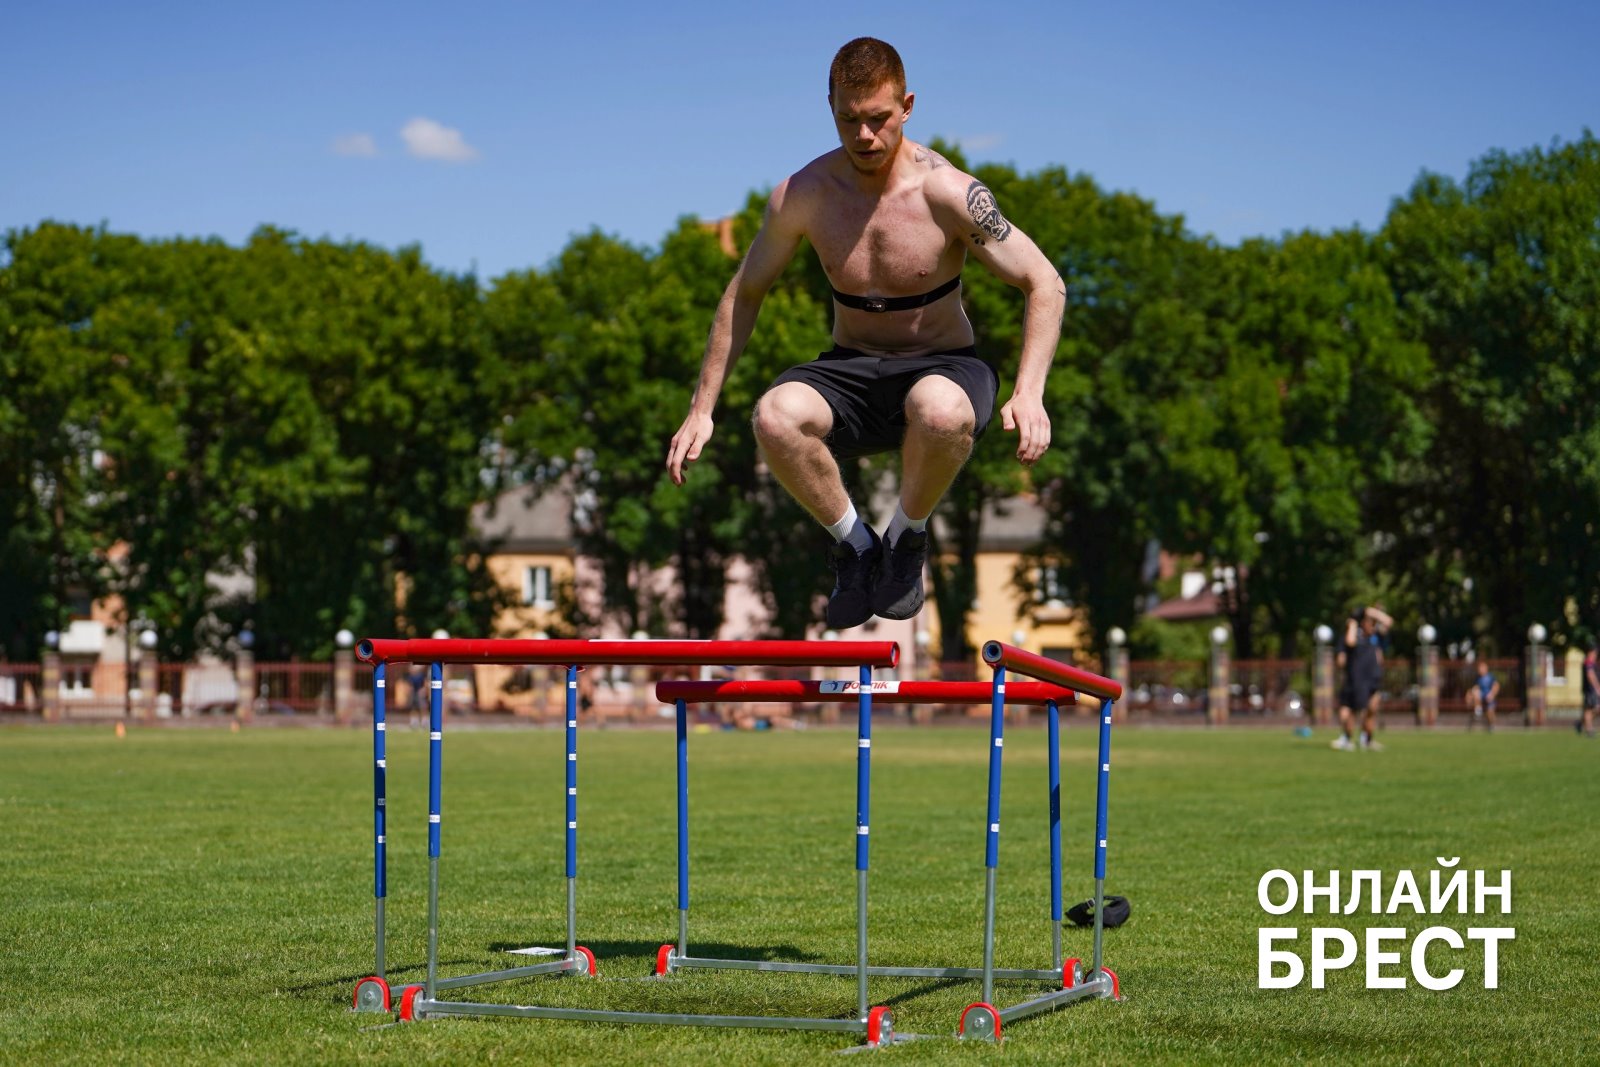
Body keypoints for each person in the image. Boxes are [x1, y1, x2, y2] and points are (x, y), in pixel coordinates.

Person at [665, 37, 1064, 629]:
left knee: (939, 409)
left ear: (906, 105)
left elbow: (1044, 282)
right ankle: (854, 546)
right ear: (829, 106)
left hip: (942, 363)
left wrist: (1029, 391)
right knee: (774, 416)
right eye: (848, 119)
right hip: (850, 366)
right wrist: (702, 408)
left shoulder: (948, 192)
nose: (865, 136)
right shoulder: (804, 195)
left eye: (879, 119)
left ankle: (906, 539)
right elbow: (744, 292)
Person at [1332, 604, 1392, 751]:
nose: (1372, 625)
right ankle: (1347, 738)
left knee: (1372, 709)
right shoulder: (1354, 635)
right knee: (1352, 711)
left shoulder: (1375, 637)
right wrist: (1353, 622)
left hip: (1373, 679)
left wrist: (1372, 612)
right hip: (1356, 680)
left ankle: (1367, 739)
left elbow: (1388, 622)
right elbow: (1349, 642)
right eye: (1369, 621)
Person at [1468, 659, 1499, 733]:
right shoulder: (1478, 678)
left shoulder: (1491, 677)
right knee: (1475, 692)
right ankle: (1478, 710)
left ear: (1486, 668)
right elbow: (1475, 687)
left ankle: (1492, 725)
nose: (1480, 669)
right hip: (1481, 696)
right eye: (1479, 668)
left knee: (1490, 712)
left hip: (1489, 696)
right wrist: (1470, 695)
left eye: (1482, 668)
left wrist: (1492, 694)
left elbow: (1496, 686)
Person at [1579, 640, 1599, 738]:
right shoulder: (1588, 662)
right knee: (1589, 709)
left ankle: (1581, 723)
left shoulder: (1592, 662)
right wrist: (1597, 687)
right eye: (1595, 652)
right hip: (1590, 690)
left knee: (1592, 709)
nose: (1596, 654)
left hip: (1592, 690)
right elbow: (1590, 675)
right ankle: (1589, 730)